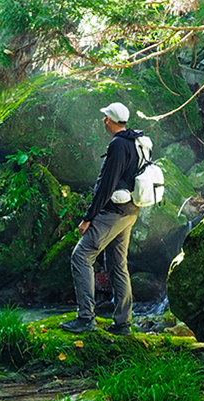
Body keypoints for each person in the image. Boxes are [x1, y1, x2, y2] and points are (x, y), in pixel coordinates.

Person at [62, 102, 145, 334]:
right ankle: (123, 323)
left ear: (108, 120)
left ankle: (86, 318)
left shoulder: (118, 145)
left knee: (81, 256)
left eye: (104, 117)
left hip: (114, 213)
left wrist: (89, 217)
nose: (102, 121)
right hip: (130, 210)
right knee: (117, 264)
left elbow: (106, 186)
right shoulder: (133, 140)